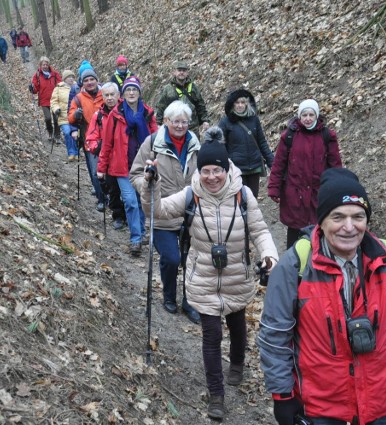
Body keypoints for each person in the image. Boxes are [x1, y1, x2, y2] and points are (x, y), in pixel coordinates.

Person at [257, 167, 386, 425]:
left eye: (358, 216)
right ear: (322, 221)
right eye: (337, 217)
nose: (349, 227)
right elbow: (274, 335)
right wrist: (282, 396)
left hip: (381, 403)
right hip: (322, 407)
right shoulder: (296, 265)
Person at [138, 128, 279, 419]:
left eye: (217, 170)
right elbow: (157, 211)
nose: (211, 176)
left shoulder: (244, 195)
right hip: (202, 276)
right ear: (199, 171)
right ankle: (216, 394)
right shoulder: (191, 194)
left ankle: (238, 364)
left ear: (227, 169)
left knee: (238, 325)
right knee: (212, 335)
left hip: (237, 275)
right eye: (206, 170)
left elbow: (260, 230)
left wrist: (269, 255)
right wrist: (151, 186)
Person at [130, 100, 201, 323]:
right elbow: (135, 173)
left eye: (184, 121)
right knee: (171, 259)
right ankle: (169, 295)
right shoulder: (152, 143)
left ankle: (190, 302)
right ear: (166, 121)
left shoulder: (197, 146)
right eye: (175, 121)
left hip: (192, 213)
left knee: (193, 261)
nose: (180, 125)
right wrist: (148, 183)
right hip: (162, 212)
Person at [267, 99, 342, 248]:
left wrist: (338, 190)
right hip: (294, 194)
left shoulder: (327, 136)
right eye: (304, 115)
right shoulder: (289, 136)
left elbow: (336, 167)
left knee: (318, 231)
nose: (307, 118)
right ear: (299, 117)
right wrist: (274, 188)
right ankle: (292, 266)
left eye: (311, 115)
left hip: (318, 193)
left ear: (316, 116)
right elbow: (279, 164)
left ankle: (316, 265)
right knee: (294, 233)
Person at [97, 76, 158, 256]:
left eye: (135, 90)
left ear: (139, 92)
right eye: (128, 90)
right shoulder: (115, 115)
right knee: (130, 202)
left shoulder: (147, 113)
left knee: (141, 202)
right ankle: (136, 239)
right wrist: (101, 168)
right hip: (122, 167)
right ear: (123, 94)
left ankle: (141, 232)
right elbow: (106, 143)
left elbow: (157, 139)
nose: (131, 93)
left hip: (143, 166)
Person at [218, 89, 274, 198]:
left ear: (247, 104)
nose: (240, 105)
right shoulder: (225, 122)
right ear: (232, 104)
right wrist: (224, 166)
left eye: (242, 102)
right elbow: (220, 146)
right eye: (237, 103)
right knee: (239, 201)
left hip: (254, 167)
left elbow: (262, 142)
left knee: (252, 199)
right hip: (236, 168)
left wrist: (272, 162)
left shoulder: (254, 119)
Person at [84, 82, 126, 225]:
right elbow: (90, 137)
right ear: (102, 97)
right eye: (106, 95)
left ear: (118, 95)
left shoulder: (126, 111)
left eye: (112, 94)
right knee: (113, 190)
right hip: (107, 158)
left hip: (125, 157)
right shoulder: (99, 116)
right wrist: (98, 146)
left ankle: (130, 216)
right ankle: (118, 215)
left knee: (128, 191)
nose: (109, 98)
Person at [68, 68, 106, 210]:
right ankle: (101, 198)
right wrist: (76, 115)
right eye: (86, 80)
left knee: (110, 172)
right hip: (90, 140)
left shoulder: (106, 94)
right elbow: (70, 117)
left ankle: (113, 198)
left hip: (109, 139)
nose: (89, 82)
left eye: (92, 79)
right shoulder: (78, 98)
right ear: (82, 83)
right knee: (95, 172)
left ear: (97, 80)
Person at [155, 61, 211, 137]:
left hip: (192, 127)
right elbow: (161, 107)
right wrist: (158, 123)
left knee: (194, 148)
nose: (181, 72)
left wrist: (205, 120)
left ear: (187, 73)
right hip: (174, 128)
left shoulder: (193, 87)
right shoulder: (167, 89)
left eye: (184, 71)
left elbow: (200, 104)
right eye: (179, 70)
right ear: (174, 72)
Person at [29, 57, 62, 143]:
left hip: (55, 99)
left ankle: (57, 136)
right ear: (40, 65)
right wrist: (32, 88)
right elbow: (35, 89)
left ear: (49, 64)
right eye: (43, 64)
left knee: (56, 118)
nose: (45, 66)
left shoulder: (55, 74)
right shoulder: (37, 75)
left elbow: (60, 84)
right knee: (47, 118)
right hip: (44, 100)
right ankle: (50, 133)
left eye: (46, 64)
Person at [51, 70, 79, 160]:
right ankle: (71, 152)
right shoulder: (58, 88)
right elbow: (53, 101)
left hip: (75, 116)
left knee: (76, 134)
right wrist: (56, 109)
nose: (71, 78)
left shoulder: (77, 87)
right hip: (63, 116)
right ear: (64, 79)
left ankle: (77, 152)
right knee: (67, 132)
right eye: (69, 77)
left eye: (72, 77)